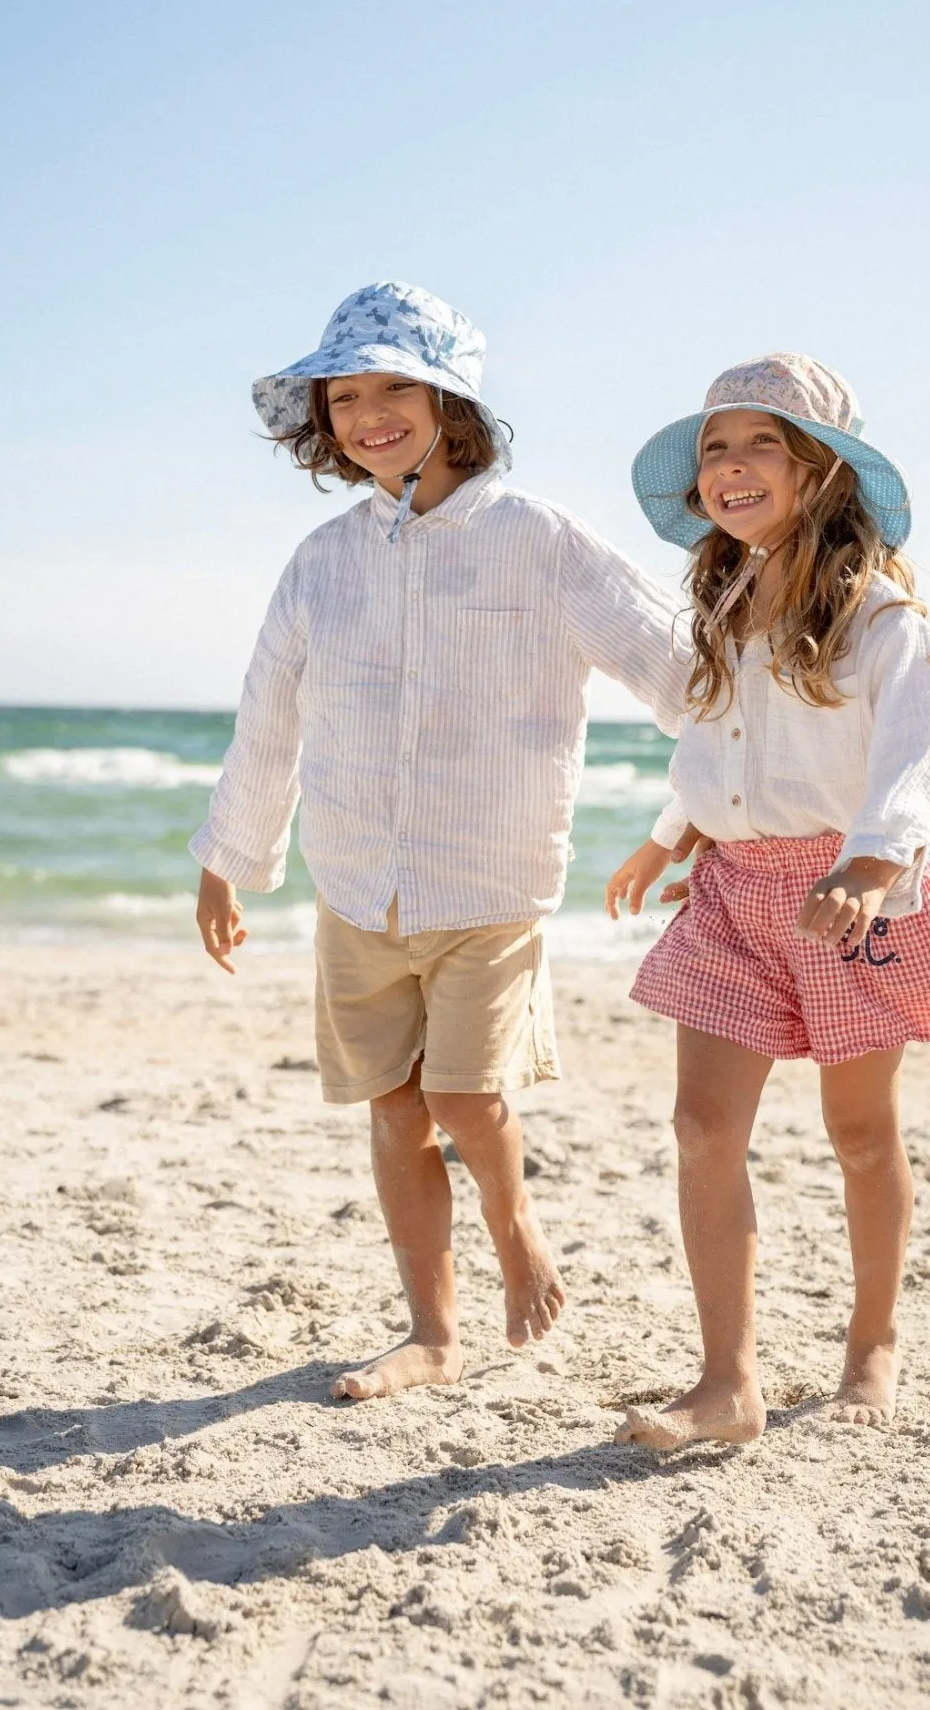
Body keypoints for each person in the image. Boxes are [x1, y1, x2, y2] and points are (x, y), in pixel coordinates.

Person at [191, 281, 684, 1402]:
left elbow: (674, 660)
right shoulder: (323, 559)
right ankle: (432, 1331)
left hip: (490, 879)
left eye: (393, 387)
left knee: (465, 1099)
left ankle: (517, 1233)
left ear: (450, 400)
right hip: (359, 882)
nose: (369, 413)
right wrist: (232, 854)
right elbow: (271, 709)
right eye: (346, 394)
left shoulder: (537, 539)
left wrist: (767, 739)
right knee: (396, 1112)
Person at [605, 353, 930, 1448]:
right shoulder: (723, 601)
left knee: (859, 1131)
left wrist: (872, 863)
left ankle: (873, 1343)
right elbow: (712, 739)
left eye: (758, 443)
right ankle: (727, 1381)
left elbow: (922, 750)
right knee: (701, 1126)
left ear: (821, 473)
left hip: (849, 897)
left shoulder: (878, 620)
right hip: (733, 897)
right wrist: (669, 834)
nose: (728, 465)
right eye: (714, 448)